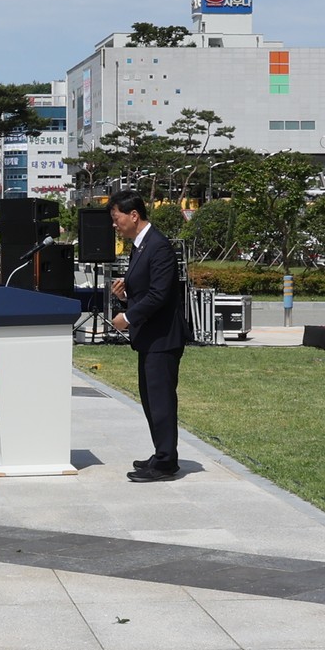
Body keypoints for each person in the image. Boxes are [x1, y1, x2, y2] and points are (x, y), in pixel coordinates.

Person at [107, 193, 187, 481]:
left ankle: (166, 462)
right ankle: (161, 452)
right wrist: (125, 295)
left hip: (163, 338)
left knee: (161, 399)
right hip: (149, 337)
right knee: (150, 398)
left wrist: (127, 318)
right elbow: (145, 291)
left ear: (133, 216)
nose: (115, 225)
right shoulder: (139, 247)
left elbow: (159, 294)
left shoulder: (159, 246)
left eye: (116, 219)